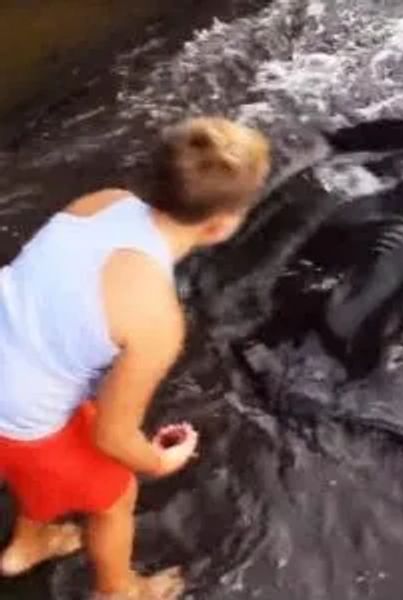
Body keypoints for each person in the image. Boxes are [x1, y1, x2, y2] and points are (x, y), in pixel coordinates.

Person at [0, 116, 271, 599]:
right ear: (221, 224)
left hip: (13, 364)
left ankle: (28, 545)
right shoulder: (156, 319)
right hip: (19, 420)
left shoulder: (103, 201)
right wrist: (158, 462)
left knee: (53, 458)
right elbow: (112, 434)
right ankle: (119, 590)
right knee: (114, 494)